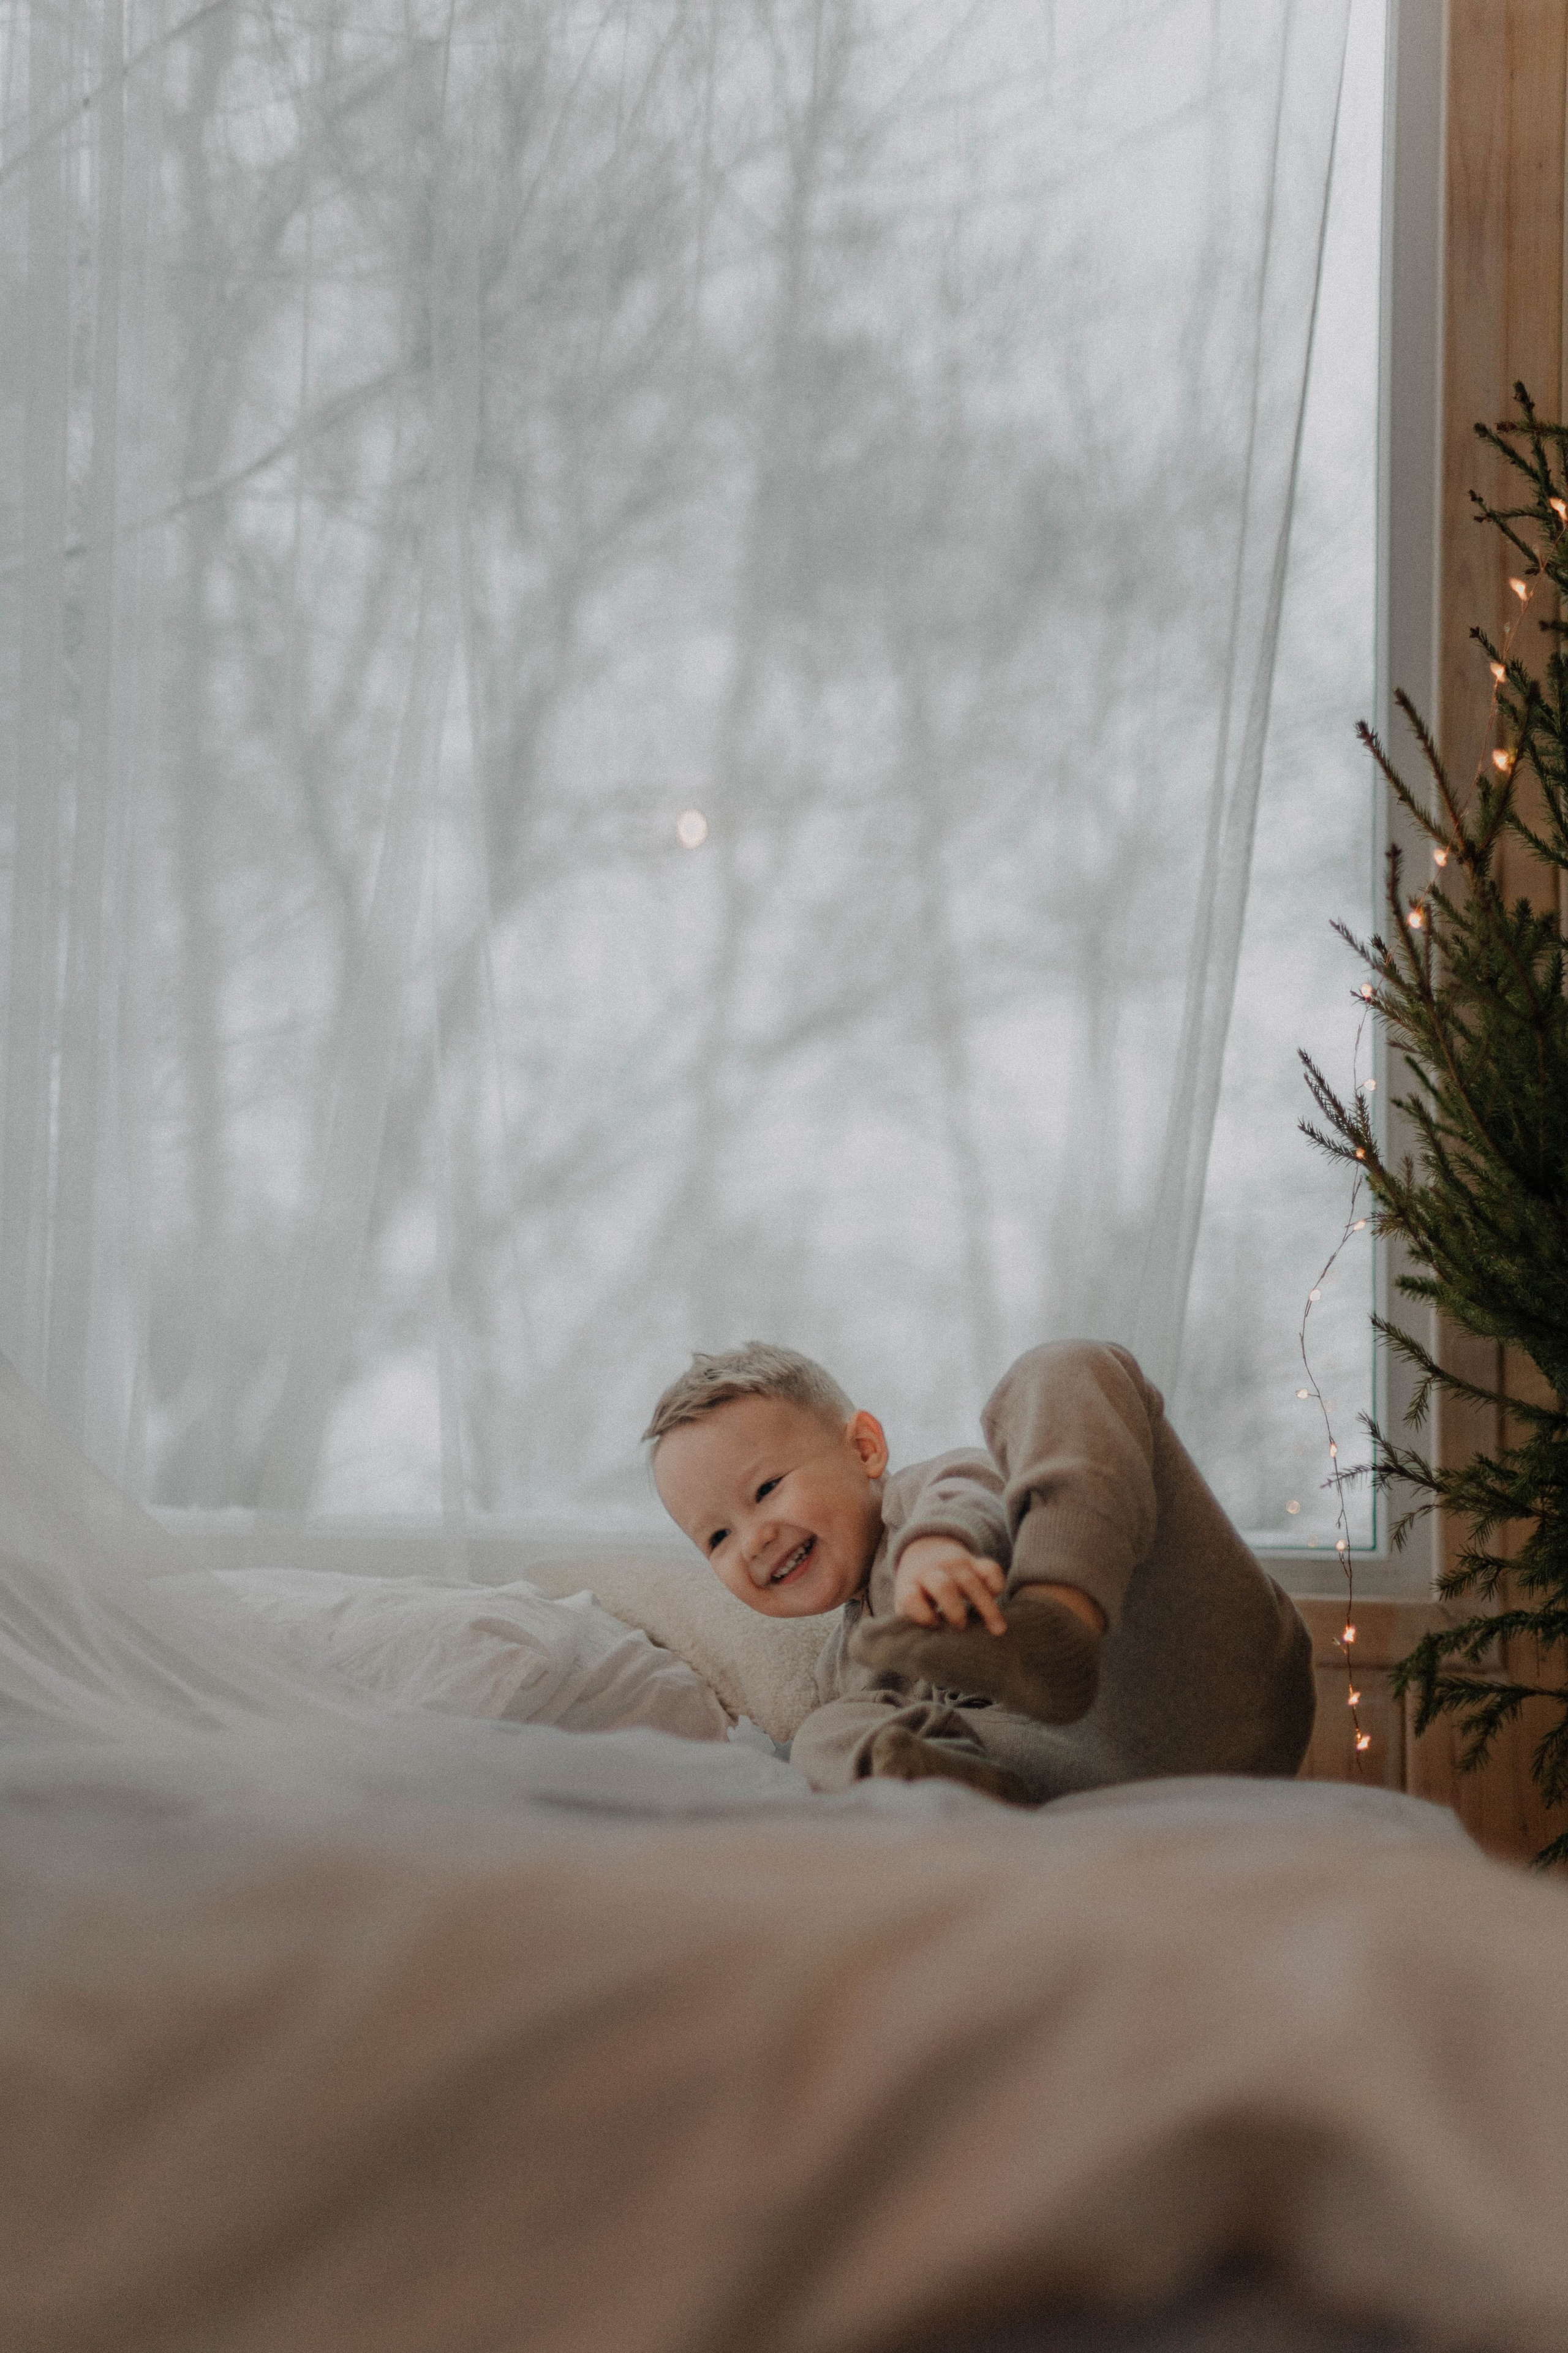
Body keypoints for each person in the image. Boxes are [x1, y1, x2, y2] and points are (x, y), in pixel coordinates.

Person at [646, 1340, 1316, 1805]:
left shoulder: (922, 1501)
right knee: (820, 1739)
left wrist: (937, 1546)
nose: (754, 1539)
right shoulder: (850, 1670)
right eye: (717, 1537)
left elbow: (974, 1486)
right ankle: (961, 1791)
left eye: (766, 1489)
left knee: (1062, 1368)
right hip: (1086, 1774)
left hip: (1189, 1676)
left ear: (865, 1449)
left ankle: (1061, 1614)